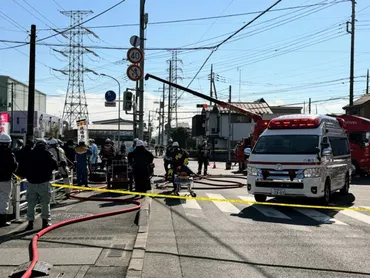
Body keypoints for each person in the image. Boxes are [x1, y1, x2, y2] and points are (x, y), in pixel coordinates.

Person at [25, 139, 58, 230]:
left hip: (32, 183)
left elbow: (23, 167)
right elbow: (55, 165)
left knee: (31, 203)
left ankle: (30, 223)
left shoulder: (30, 154)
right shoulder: (47, 154)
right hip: (44, 182)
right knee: (45, 203)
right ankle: (45, 222)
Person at [0, 134, 18, 226]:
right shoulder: (9, 154)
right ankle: (2, 220)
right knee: (4, 199)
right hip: (5, 179)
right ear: (8, 143)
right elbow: (14, 166)